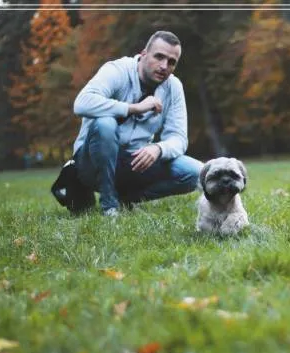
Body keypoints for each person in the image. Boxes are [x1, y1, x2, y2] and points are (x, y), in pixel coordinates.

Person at [71, 31, 202, 216]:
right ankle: (109, 206)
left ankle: (127, 199)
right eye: (159, 57)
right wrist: (133, 108)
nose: (164, 66)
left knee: (197, 173)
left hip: (134, 162)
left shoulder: (173, 87)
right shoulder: (117, 70)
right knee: (105, 124)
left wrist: (158, 149)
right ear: (144, 54)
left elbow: (179, 138)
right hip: (91, 162)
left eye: (172, 62)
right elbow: (81, 103)